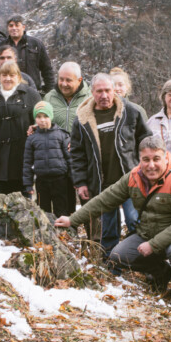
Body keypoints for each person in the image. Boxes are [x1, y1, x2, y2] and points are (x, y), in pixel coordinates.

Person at [56, 136, 171, 299]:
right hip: (147, 234)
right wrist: (73, 220)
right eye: (146, 159)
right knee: (118, 256)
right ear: (139, 159)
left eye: (156, 159)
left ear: (165, 157)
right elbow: (105, 200)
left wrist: (153, 244)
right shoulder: (133, 177)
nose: (151, 165)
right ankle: (162, 272)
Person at [70, 73, 151, 256]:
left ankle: (139, 259)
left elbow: (146, 141)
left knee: (134, 220)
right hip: (101, 183)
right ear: (92, 93)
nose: (104, 95)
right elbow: (77, 153)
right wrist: (81, 182)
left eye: (107, 90)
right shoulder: (82, 119)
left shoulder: (131, 112)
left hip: (131, 180)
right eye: (99, 91)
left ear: (114, 91)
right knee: (108, 228)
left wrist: (147, 169)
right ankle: (111, 263)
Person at [0, 61, 41, 194]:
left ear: (18, 76)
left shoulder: (31, 94)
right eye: (4, 75)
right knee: (1, 191)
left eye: (12, 75)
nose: (8, 78)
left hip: (23, 153)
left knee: (23, 193)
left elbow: (40, 120)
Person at [44, 61, 91, 214]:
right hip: (58, 160)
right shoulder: (49, 98)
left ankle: (93, 237)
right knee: (63, 202)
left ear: (79, 80)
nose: (63, 84)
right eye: (61, 79)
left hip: (84, 159)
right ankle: (68, 235)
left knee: (89, 201)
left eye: (68, 80)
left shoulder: (90, 98)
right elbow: (43, 124)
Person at [24, 101, 74, 215]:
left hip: (60, 179)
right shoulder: (32, 139)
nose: (42, 120)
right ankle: (46, 232)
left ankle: (63, 232)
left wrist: (74, 179)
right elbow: (27, 162)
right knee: (43, 211)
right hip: (42, 180)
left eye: (46, 116)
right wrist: (28, 184)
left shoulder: (61, 135)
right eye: (39, 117)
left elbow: (70, 159)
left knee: (62, 209)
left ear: (51, 116)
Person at [6, 15, 54, 93]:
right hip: (9, 92)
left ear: (23, 27)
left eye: (17, 25)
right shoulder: (2, 46)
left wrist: (50, 90)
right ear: (8, 28)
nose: (14, 28)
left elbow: (47, 69)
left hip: (33, 91)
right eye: (11, 26)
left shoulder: (36, 44)